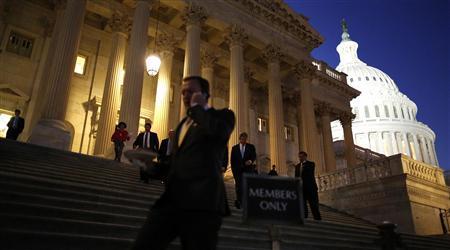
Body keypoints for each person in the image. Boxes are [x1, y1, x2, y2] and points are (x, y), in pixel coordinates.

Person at [131, 76, 235, 250]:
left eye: (191, 92)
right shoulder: (181, 126)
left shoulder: (223, 116)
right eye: (183, 92)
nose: (186, 95)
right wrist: (150, 166)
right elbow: (176, 164)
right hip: (173, 201)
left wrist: (198, 108)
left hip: (203, 204)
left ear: (204, 94)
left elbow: (218, 133)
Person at [230, 132, 256, 209]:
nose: (244, 140)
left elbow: (254, 156)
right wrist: (234, 172)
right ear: (239, 139)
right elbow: (232, 161)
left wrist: (251, 161)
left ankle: (246, 202)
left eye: (245, 138)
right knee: (238, 187)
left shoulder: (251, 147)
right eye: (242, 138)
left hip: (247, 171)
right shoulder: (234, 148)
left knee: (246, 186)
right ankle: (239, 201)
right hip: (237, 171)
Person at [295, 151, 321, 220]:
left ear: (305, 156)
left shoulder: (311, 164)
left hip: (310, 188)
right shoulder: (297, 166)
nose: (300, 158)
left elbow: (309, 173)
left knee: (313, 205)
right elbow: (296, 177)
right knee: (303, 205)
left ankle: (317, 218)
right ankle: (305, 218)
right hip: (301, 189)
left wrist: (303, 166)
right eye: (299, 157)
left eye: (301, 156)